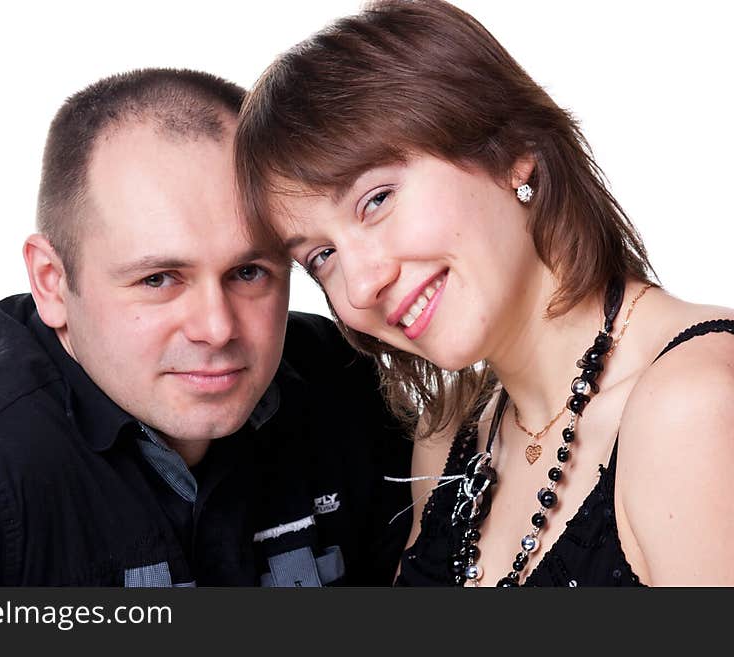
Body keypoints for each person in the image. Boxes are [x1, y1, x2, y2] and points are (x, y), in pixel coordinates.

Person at [234, 0, 734, 586]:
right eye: (321, 257)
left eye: (376, 199)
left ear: (513, 152)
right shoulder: (448, 442)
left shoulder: (693, 407)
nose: (363, 284)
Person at [0, 68, 412, 586]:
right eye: (159, 279)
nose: (217, 329)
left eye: (248, 272)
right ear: (51, 281)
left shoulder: (342, 382)